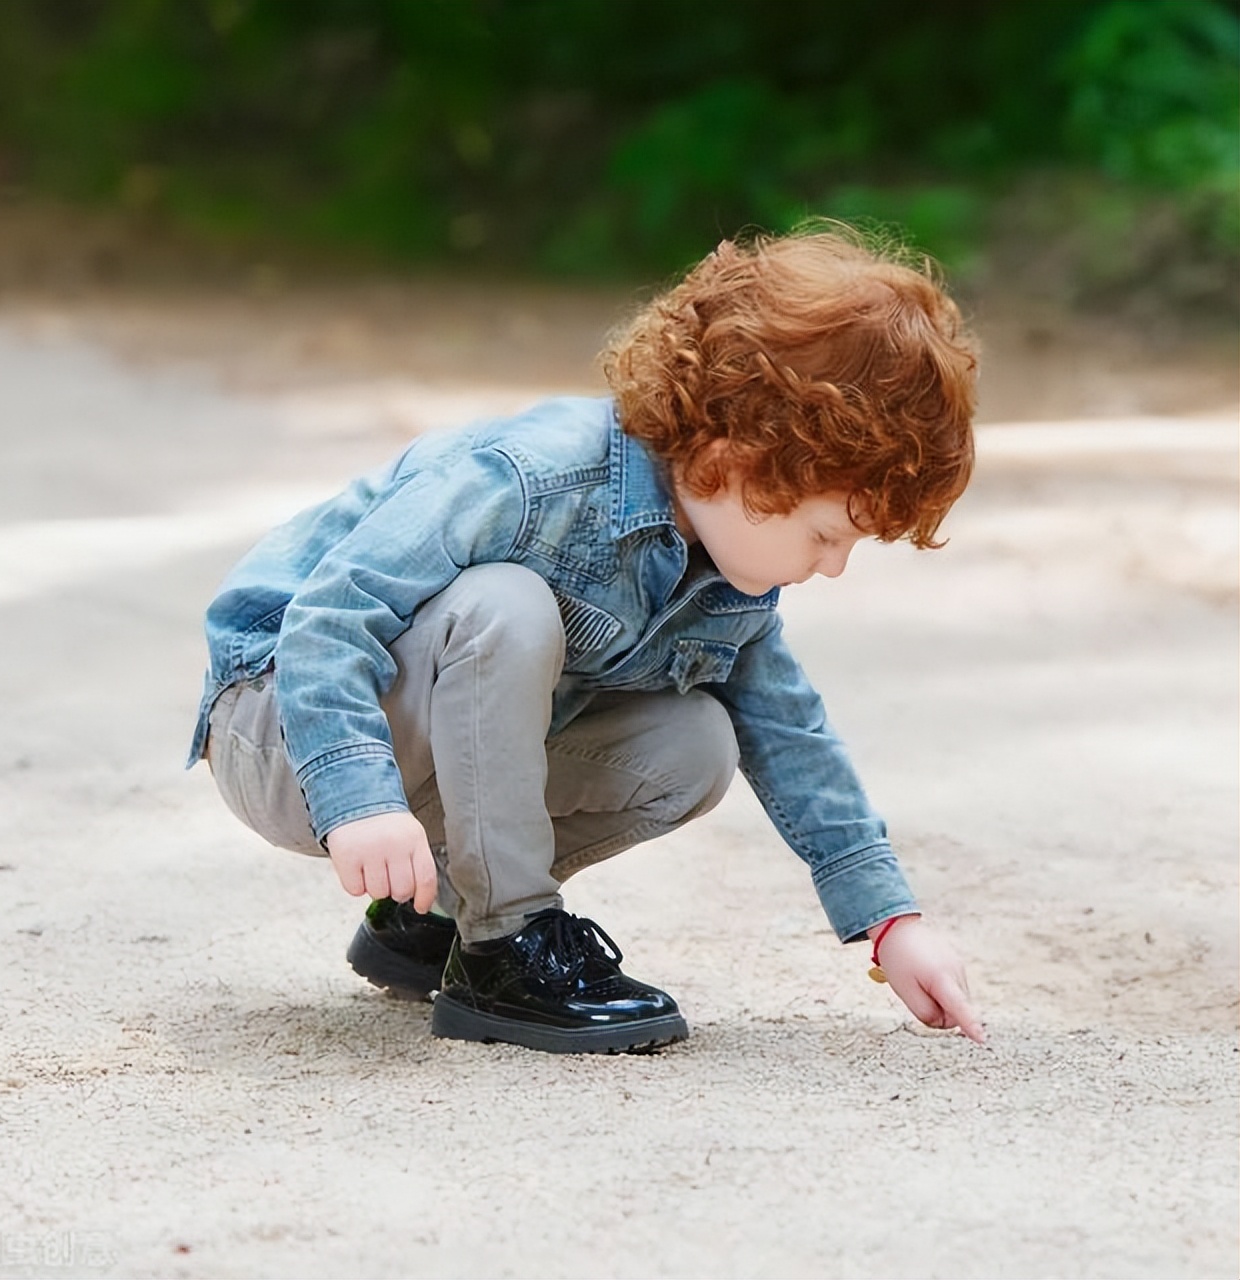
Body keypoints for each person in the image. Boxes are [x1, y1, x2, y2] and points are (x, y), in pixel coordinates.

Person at [188, 225, 986, 1054]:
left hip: (407, 755)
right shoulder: (533, 480)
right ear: (734, 457)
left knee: (697, 745)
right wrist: (359, 798)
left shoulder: (727, 583)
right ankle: (508, 946)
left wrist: (890, 920)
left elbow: (794, 735)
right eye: (826, 536)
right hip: (284, 726)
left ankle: (431, 922)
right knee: (506, 605)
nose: (833, 568)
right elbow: (331, 614)